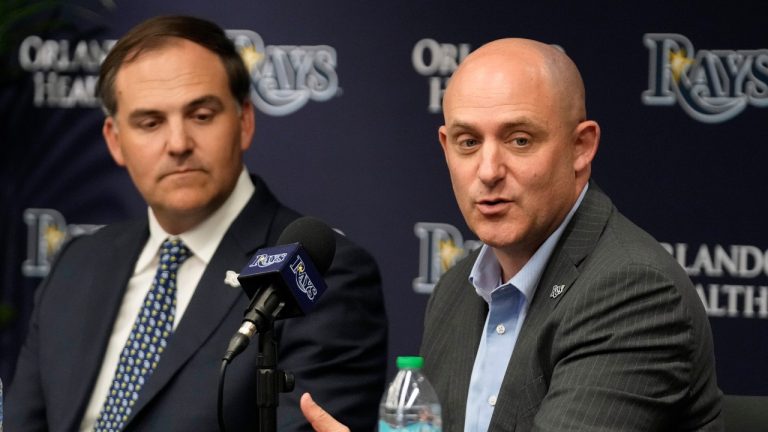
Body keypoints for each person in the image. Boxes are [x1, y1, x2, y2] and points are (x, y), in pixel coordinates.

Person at [300, 38, 723, 431]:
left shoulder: (634, 291)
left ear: (581, 147)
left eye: (519, 140)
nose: (488, 171)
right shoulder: (456, 288)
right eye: (468, 142)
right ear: (445, 147)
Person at [5, 15, 388, 432]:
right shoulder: (77, 262)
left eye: (201, 115)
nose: (178, 144)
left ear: (244, 121)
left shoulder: (316, 272)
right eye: (150, 123)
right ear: (115, 140)